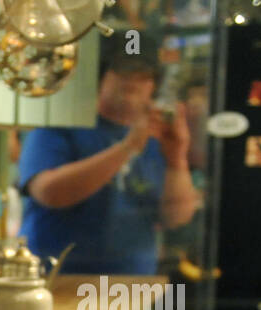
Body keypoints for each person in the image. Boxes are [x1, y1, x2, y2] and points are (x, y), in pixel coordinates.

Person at [17, 35, 199, 274]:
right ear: (101, 76)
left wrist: (177, 157)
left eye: (143, 74)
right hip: (58, 279)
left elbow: (176, 217)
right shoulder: (61, 125)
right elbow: (48, 192)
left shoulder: (158, 138)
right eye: (123, 71)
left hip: (131, 286)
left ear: (154, 84)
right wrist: (127, 147)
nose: (132, 82)